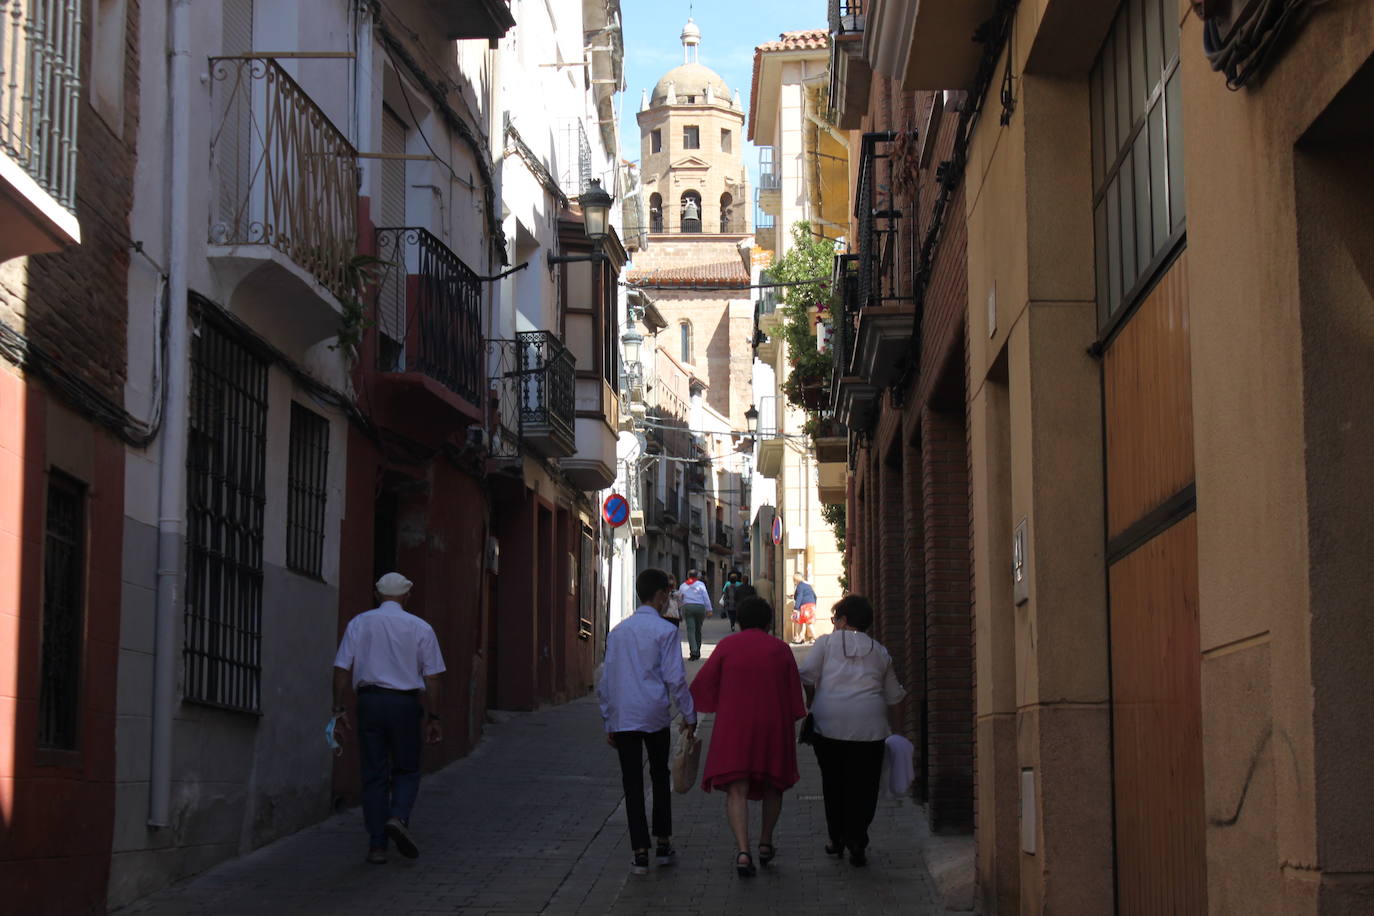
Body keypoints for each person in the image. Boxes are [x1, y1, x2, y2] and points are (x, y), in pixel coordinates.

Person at [332, 572, 445, 865]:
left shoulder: (359, 623)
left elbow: (342, 668)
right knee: (407, 768)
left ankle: (377, 845)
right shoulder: (421, 627)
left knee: (374, 772)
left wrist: (338, 708)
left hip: (369, 702)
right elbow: (432, 677)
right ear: (407, 596)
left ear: (376, 594)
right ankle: (398, 816)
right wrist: (433, 716)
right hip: (405, 704)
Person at [690, 596, 806, 877]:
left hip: (735, 725)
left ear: (740, 621)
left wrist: (694, 716)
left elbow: (703, 685)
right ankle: (765, 842)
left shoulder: (727, 646)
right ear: (768, 621)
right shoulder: (780, 649)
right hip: (773, 725)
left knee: (736, 789)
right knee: (772, 785)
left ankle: (744, 851)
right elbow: (794, 696)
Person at [599, 567, 699, 875]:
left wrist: (608, 720)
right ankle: (664, 842)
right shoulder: (665, 632)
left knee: (631, 783)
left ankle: (640, 852)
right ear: (658, 596)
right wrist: (689, 714)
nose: (668, 601)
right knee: (659, 776)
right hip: (655, 714)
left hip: (624, 716)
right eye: (667, 596)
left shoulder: (617, 632)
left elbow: (607, 679)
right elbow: (675, 679)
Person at [798, 594, 906, 867]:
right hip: (870, 727)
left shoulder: (825, 643)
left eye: (835, 619)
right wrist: (898, 732)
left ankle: (836, 839)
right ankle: (858, 838)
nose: (834, 624)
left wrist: (812, 699)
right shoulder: (880, 651)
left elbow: (807, 675)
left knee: (833, 783)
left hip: (828, 723)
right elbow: (895, 697)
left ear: (844, 620)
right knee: (865, 785)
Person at [678, 568, 713, 660]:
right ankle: (697, 650)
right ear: (697, 576)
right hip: (700, 608)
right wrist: (709, 609)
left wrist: (680, 609)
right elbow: (705, 597)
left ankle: (693, 651)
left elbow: (680, 599)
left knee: (691, 630)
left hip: (688, 607)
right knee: (698, 629)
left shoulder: (683, 585)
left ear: (688, 576)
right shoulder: (700, 585)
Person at [791, 572, 818, 645]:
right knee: (803, 621)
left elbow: (799, 596)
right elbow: (815, 596)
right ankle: (801, 637)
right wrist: (814, 604)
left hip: (805, 606)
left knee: (808, 623)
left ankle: (816, 638)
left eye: (794, 580)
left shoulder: (800, 586)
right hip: (811, 604)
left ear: (796, 580)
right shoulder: (808, 586)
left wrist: (796, 607)